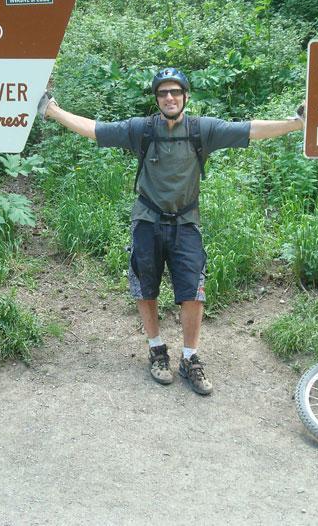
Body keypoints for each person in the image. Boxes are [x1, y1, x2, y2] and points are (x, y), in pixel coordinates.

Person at [38, 67, 304, 395]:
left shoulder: (201, 130)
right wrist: (52, 110)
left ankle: (190, 357)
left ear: (185, 97)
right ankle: (156, 349)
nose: (169, 97)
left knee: (193, 291)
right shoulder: (142, 129)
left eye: (175, 92)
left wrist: (297, 123)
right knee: (145, 287)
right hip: (147, 220)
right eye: (163, 93)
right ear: (156, 99)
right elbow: (96, 130)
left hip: (186, 222)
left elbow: (249, 130)